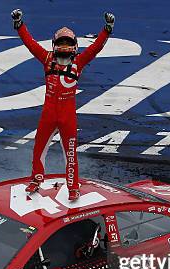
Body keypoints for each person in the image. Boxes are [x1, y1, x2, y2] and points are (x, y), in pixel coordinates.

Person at [11, 9, 115, 201]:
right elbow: (30, 44)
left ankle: (73, 188)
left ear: (74, 45)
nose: (64, 46)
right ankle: (36, 180)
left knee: (71, 154)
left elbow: (95, 48)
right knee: (39, 147)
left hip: (68, 117)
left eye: (68, 43)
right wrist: (20, 25)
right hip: (48, 114)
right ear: (55, 44)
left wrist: (107, 30)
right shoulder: (47, 58)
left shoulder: (79, 61)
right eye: (61, 42)